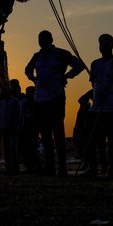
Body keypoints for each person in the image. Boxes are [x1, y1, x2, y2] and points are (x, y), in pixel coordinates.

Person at [25, 30, 85, 176]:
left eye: (45, 39)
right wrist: (34, 79)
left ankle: (62, 167)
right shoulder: (37, 56)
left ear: (51, 39)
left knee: (58, 132)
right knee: (45, 134)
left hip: (55, 97)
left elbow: (79, 65)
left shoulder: (61, 53)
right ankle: (50, 166)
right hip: (40, 99)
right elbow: (27, 69)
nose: (42, 42)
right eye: (40, 39)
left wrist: (67, 76)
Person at [81, 34, 113, 179]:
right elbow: (93, 84)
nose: (103, 46)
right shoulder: (95, 64)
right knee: (90, 137)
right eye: (101, 44)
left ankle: (111, 169)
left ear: (112, 45)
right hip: (97, 107)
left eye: (106, 43)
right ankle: (93, 167)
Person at [0, 79, 22, 174]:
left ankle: (15, 167)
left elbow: (18, 116)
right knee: (6, 149)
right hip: (4, 128)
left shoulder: (15, 102)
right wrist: (1, 125)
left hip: (13, 129)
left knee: (14, 148)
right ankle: (8, 167)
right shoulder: (0, 103)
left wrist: (15, 126)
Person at [19, 86, 42, 173]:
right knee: (26, 148)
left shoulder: (36, 103)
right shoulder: (25, 102)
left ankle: (35, 166)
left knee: (31, 148)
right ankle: (30, 166)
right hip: (25, 128)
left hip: (32, 128)